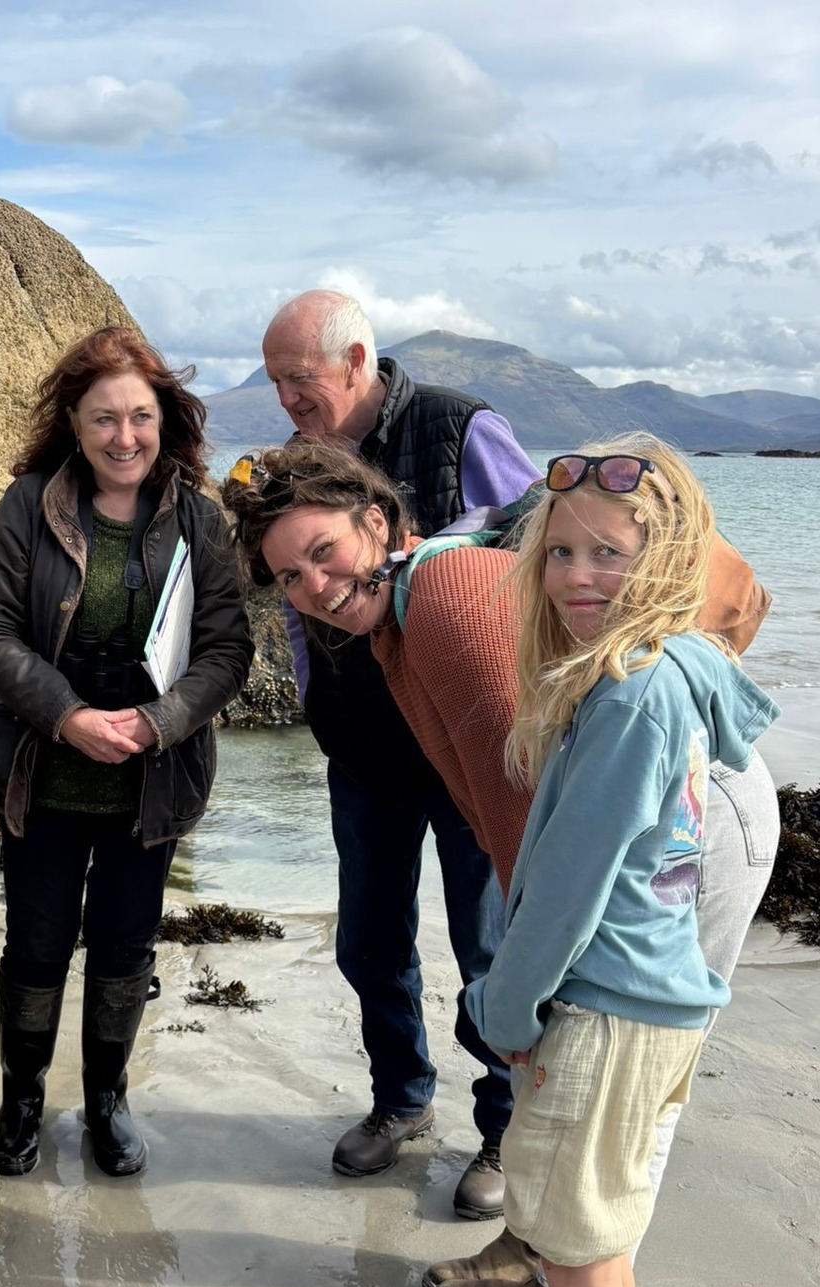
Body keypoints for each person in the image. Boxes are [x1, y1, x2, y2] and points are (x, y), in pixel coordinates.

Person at [222, 436, 778, 1287]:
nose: (313, 587)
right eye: (288, 576)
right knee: (581, 1073)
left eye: (324, 553)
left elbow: (535, 815)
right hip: (657, 804)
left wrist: (527, 989)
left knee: (616, 1080)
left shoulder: (441, 606)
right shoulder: (403, 617)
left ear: (378, 524)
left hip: (689, 815)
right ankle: (542, 1266)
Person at [461, 445, 778, 1287]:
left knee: (578, 1255)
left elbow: (564, 893)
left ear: (670, 558)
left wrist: (503, 1010)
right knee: (602, 1240)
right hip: (660, 1005)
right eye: (560, 555)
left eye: (610, 553)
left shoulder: (630, 699)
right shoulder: (675, 670)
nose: (578, 578)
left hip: (602, 1013)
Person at [259, 290, 538, 1218]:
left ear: (356, 360)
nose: (289, 401)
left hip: (466, 741)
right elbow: (294, 591)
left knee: (489, 947)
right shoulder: (304, 462)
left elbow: (537, 544)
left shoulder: (460, 428)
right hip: (366, 752)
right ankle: (402, 1099)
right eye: (276, 385)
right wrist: (311, 693)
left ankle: (504, 1130)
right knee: (370, 940)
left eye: (300, 380)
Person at [0, 326, 253, 1179]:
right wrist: (67, 716)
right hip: (42, 777)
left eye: (139, 417)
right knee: (36, 948)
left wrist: (160, 722)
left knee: (126, 949)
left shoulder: (199, 518)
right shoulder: (28, 504)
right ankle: (22, 1102)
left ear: (166, 418)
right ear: (75, 425)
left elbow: (226, 650)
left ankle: (107, 1102)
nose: (124, 437)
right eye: (103, 420)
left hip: (149, 788)